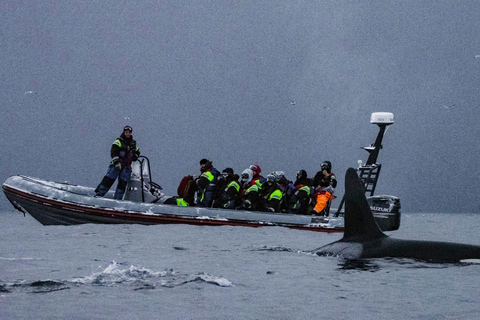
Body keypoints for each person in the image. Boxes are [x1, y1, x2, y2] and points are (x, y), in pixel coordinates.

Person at [95, 126, 140, 200]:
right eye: (126, 132)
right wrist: (116, 162)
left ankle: (118, 199)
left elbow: (137, 151)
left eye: (129, 133)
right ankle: (99, 194)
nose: (127, 134)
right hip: (117, 165)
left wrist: (135, 156)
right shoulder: (118, 142)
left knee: (122, 183)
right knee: (109, 179)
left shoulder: (133, 144)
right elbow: (114, 152)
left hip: (126, 166)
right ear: (124, 132)